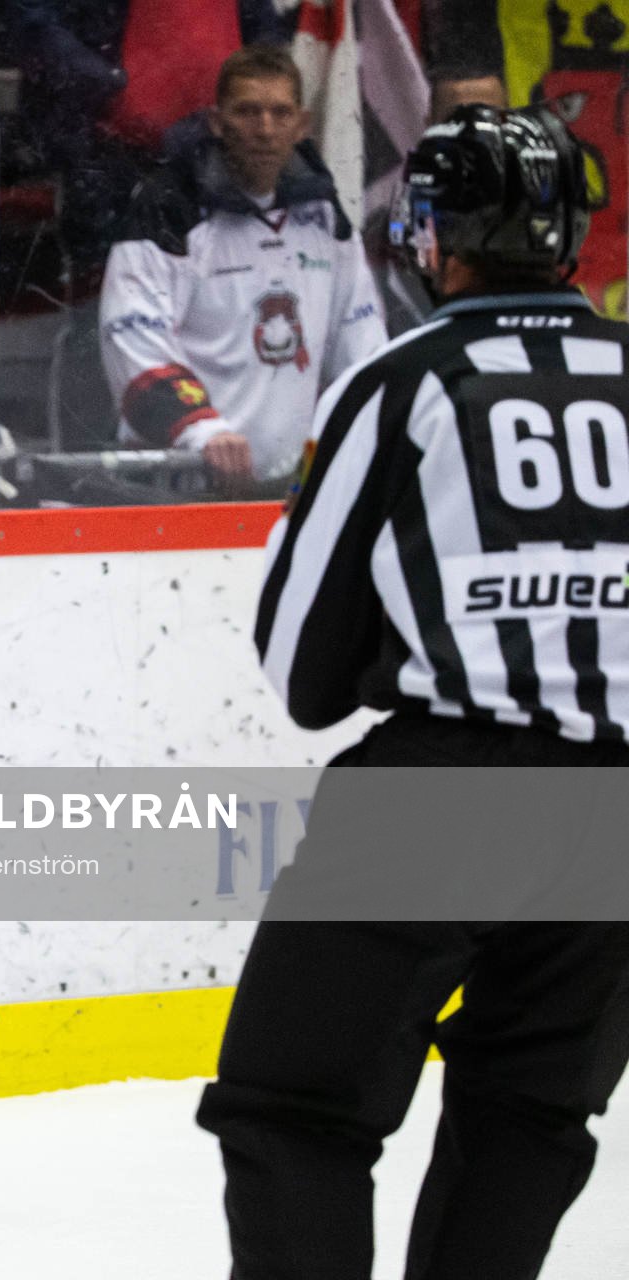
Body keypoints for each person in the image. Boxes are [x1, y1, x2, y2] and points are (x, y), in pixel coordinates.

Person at [198, 103, 629, 1278]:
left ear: (436, 236)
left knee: (292, 1108)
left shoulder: (407, 378)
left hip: (442, 790)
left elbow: (303, 668)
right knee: (529, 1115)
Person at [99, 44, 387, 494]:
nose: (265, 129)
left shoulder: (325, 215)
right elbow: (133, 340)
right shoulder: (168, 211)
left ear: (302, 124)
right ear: (216, 122)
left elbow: (361, 344)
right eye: (248, 112)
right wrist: (202, 430)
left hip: (288, 488)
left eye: (280, 112)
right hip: (175, 488)